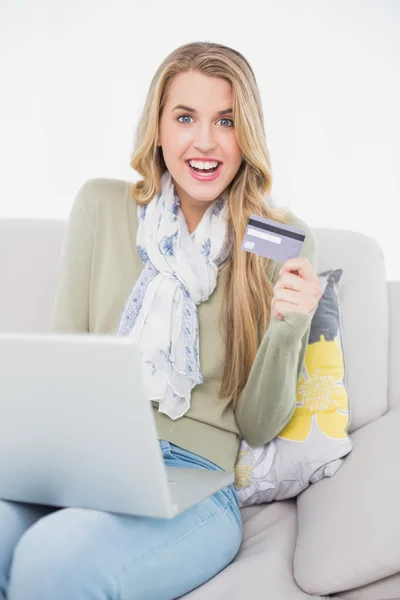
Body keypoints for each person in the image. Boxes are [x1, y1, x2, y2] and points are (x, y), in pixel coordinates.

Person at [0, 41, 322, 600]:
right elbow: (62, 369)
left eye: (226, 120)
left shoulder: (278, 238)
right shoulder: (101, 207)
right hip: (86, 461)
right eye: (185, 117)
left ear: (248, 132)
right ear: (157, 128)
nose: (205, 141)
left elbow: (260, 425)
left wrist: (289, 327)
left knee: (56, 561)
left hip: (198, 481)